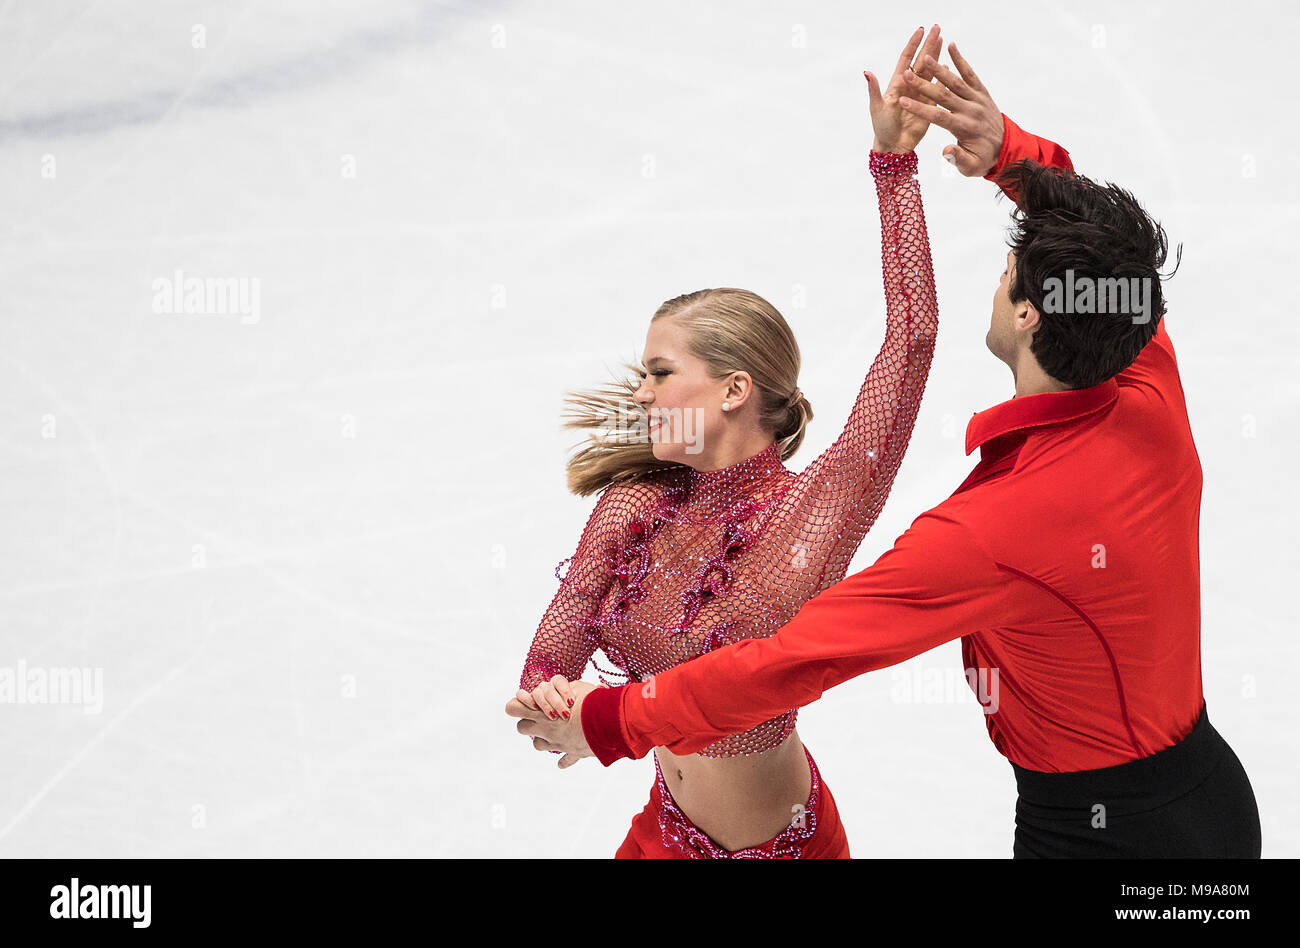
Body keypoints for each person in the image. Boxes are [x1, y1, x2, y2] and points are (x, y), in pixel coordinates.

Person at [516, 40, 1262, 859]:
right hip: (1193, 796)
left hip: (1108, 836)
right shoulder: (1140, 369)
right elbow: (1101, 251)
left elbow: (795, 660)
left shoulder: (988, 532)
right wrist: (1009, 154)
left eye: (1007, 272)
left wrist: (611, 718)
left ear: (1027, 317)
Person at [506, 26, 947, 858]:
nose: (640, 392)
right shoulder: (633, 503)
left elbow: (912, 342)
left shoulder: (810, 516)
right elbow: (552, 652)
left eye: (661, 372)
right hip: (664, 837)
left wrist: (896, 170)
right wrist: (552, 699)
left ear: (735, 389)